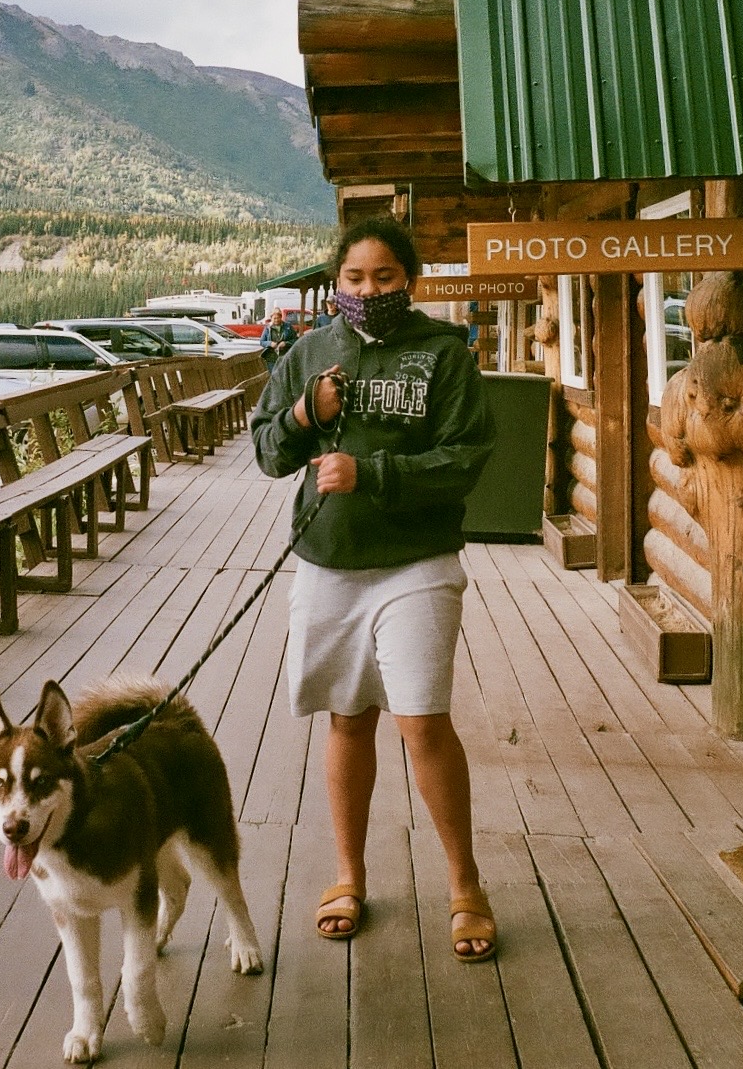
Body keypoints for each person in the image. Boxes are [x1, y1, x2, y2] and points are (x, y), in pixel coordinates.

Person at [251, 217, 497, 962]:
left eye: (383, 277)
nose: (367, 291)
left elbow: (468, 457)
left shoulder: (444, 354)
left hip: (417, 563)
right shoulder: (310, 351)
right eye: (354, 279)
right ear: (336, 283)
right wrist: (306, 414)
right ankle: (348, 875)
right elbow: (267, 448)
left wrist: (376, 473)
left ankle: (465, 885)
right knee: (348, 718)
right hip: (328, 561)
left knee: (421, 722)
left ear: (408, 279)